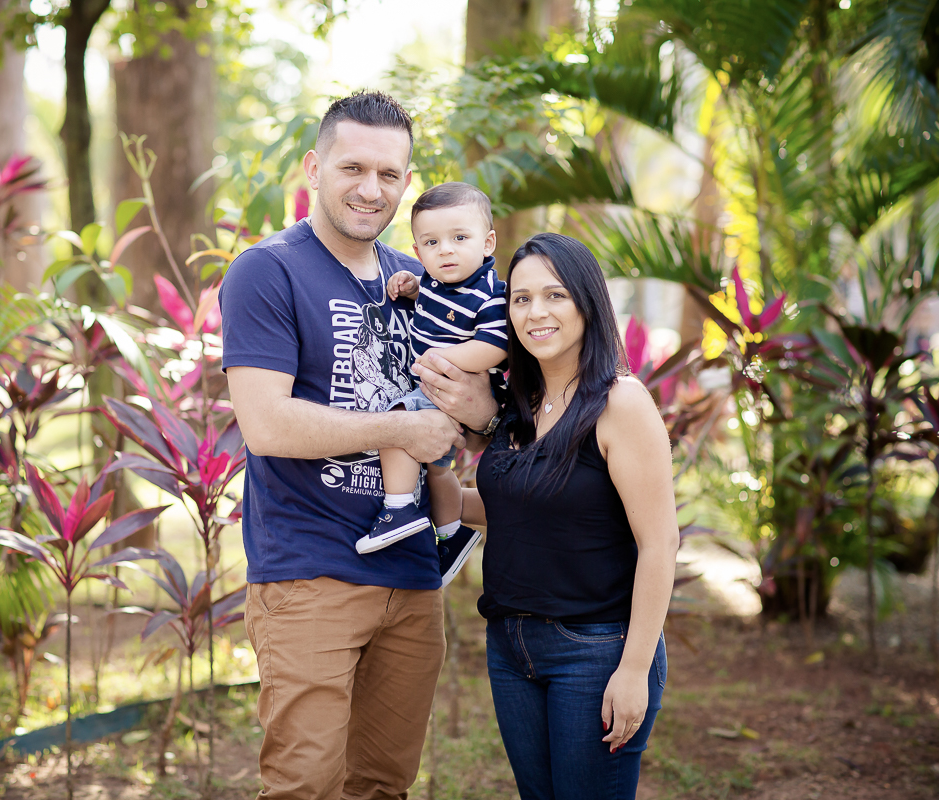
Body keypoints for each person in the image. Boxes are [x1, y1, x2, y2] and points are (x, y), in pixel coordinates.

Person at [220, 91, 500, 800]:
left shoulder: (424, 274)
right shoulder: (269, 269)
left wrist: (478, 412)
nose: (369, 188)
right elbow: (268, 425)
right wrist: (399, 430)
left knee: (381, 785)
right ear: (315, 167)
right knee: (305, 785)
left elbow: (470, 407)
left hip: (411, 578)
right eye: (352, 167)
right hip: (310, 573)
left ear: (407, 184)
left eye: (388, 174)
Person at [423, 232, 679, 799]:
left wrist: (634, 669)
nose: (534, 312)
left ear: (587, 302)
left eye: (554, 295)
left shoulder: (619, 403)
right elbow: (513, 510)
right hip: (511, 646)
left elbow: (660, 542)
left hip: (594, 647)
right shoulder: (520, 407)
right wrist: (430, 466)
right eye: (519, 299)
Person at [354, 182, 506, 587]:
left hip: (450, 388)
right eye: (432, 243)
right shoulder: (437, 282)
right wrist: (413, 284)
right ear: (418, 252)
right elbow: (433, 297)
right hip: (439, 388)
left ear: (488, 242)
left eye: (460, 238)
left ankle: (399, 507)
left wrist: (441, 360)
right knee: (439, 473)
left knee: (396, 421)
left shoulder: (491, 295)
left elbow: (493, 347)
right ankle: (452, 533)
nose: (447, 250)